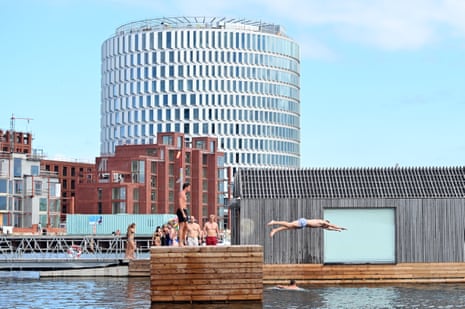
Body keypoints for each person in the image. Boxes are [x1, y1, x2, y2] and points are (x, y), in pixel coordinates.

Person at [268, 218, 347, 237]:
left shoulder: (322, 226)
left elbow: (330, 229)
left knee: (289, 227)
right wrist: (340, 227)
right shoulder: (323, 222)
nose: (327, 226)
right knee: (288, 225)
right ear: (326, 222)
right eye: (327, 225)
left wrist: (337, 230)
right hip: (303, 222)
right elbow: (332, 225)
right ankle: (274, 222)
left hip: (303, 225)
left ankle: (275, 230)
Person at [177, 182, 191, 247]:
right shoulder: (181, 193)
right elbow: (180, 204)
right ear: (186, 187)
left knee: (185, 227)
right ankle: (180, 242)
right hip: (181, 211)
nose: (190, 189)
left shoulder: (185, 194)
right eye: (189, 187)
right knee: (181, 227)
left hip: (185, 210)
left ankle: (183, 240)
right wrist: (183, 213)